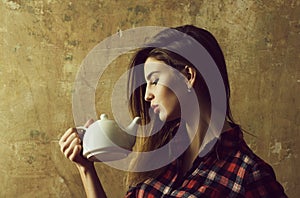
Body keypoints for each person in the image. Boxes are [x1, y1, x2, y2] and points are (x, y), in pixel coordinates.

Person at [59, 25, 287, 197]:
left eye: (154, 80)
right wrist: (85, 167)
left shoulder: (248, 175)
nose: (147, 94)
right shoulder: (160, 158)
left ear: (188, 76)